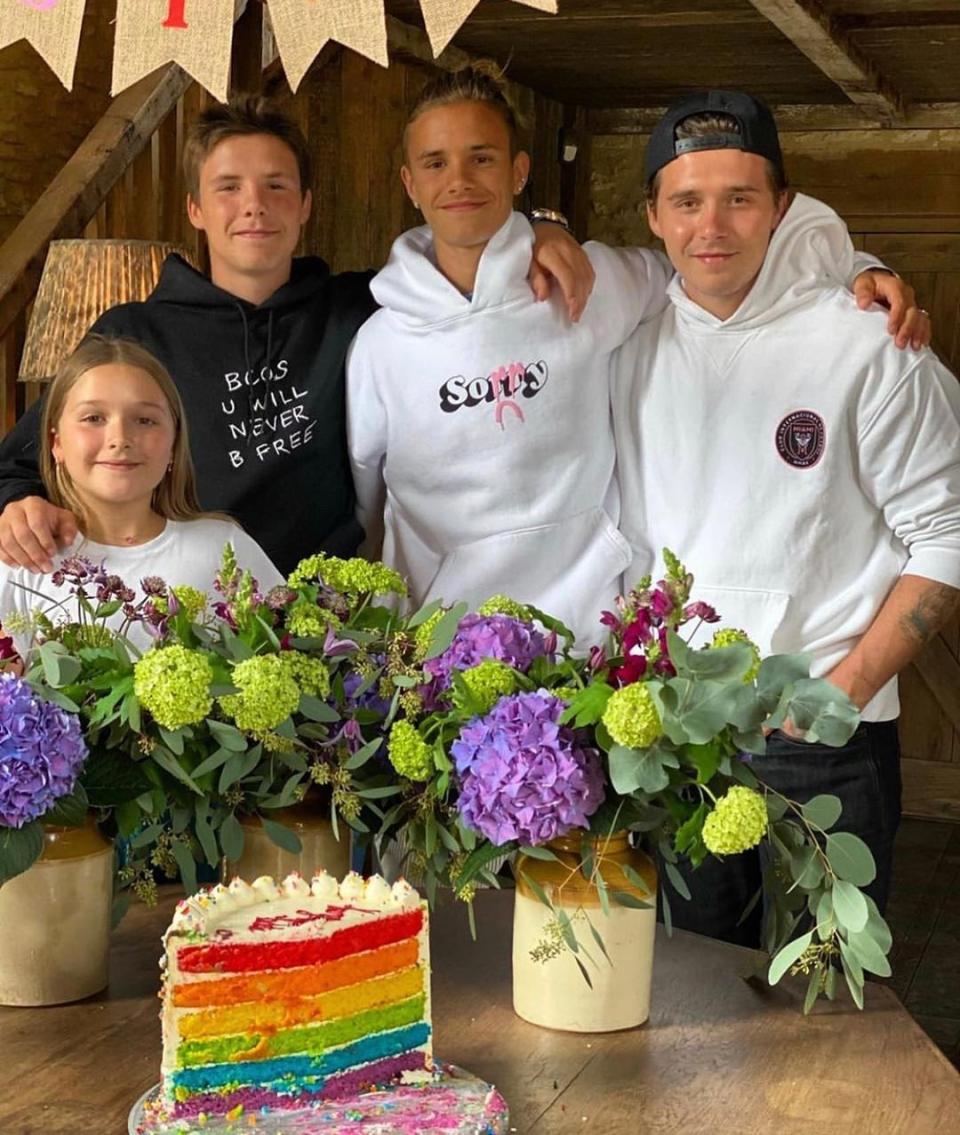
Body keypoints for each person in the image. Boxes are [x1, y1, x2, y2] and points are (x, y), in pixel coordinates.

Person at [346, 64, 927, 647]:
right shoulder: (378, 345)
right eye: (435, 163)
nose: (460, 180)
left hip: (582, 642)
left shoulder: (591, 281)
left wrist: (854, 271)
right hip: (437, 647)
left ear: (519, 171)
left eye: (482, 157)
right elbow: (369, 502)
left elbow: (712, 261)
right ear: (408, 183)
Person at [611, 89, 960, 942]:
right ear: (654, 217)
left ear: (782, 208)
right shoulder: (631, 345)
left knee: (826, 1009)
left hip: (827, 735)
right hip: (683, 734)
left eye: (740, 197)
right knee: (696, 990)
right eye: (687, 202)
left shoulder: (871, 343)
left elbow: (948, 533)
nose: (713, 226)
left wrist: (843, 692)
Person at [0, 96, 591, 578]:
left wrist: (542, 228)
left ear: (306, 204)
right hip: (185, 609)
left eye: (277, 186)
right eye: (228, 187)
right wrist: (16, 506)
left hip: (330, 627)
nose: (254, 206)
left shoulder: (366, 306)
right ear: (196, 210)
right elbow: (22, 463)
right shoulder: (133, 334)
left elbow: (467, 256)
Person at [0, 337, 282, 656]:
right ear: (57, 444)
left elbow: (289, 658)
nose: (120, 439)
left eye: (145, 420)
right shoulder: (22, 558)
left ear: (174, 444)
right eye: (93, 418)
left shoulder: (225, 548)